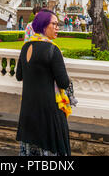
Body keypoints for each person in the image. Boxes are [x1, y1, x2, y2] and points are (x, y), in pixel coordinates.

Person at [16, 9, 71, 156]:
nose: (57, 27)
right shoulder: (52, 50)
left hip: (28, 110)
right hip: (48, 112)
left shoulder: (25, 47)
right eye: (54, 24)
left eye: (58, 24)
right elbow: (64, 83)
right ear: (43, 25)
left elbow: (19, 76)